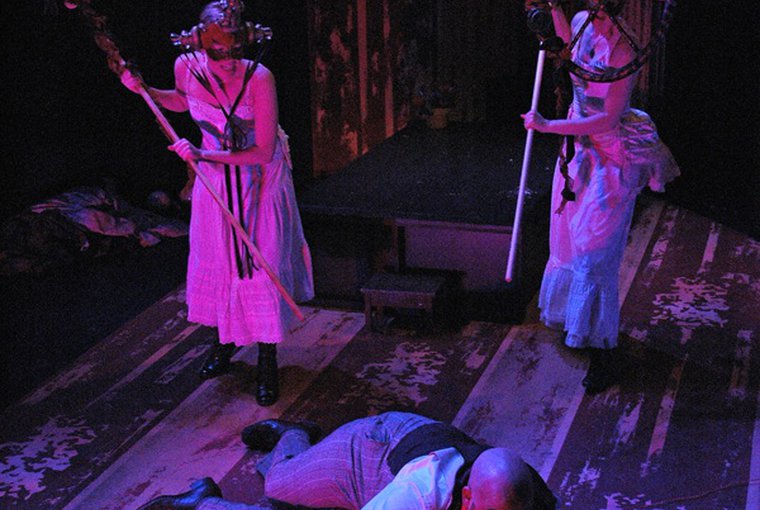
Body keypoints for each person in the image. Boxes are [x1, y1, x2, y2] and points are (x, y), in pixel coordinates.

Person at [121, 0, 314, 406]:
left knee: (259, 262)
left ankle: (266, 357)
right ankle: (225, 342)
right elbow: (181, 99)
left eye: (234, 51)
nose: (226, 62)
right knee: (221, 258)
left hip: (259, 179)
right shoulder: (187, 66)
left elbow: (262, 151)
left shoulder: (259, 78)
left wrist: (202, 155)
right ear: (200, 44)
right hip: (215, 179)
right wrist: (145, 90)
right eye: (217, 52)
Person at [521, 0, 679, 394]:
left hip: (611, 158)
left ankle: (606, 354)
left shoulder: (624, 50)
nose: (597, 17)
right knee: (570, 242)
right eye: (593, 8)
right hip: (579, 154)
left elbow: (607, 118)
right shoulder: (581, 23)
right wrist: (554, 9)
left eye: (603, 10)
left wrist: (548, 125)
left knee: (596, 253)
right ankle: (578, 325)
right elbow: (568, 46)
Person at [138, 411, 558, 509]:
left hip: (420, 445)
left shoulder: (531, 496)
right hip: (368, 452)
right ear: (466, 498)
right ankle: (291, 434)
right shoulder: (415, 493)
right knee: (277, 486)